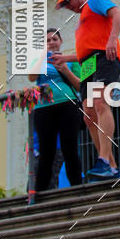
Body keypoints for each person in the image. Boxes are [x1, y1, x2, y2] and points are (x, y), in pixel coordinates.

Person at [52, 0, 120, 180]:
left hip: (104, 57)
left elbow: (118, 14)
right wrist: (64, 58)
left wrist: (112, 39)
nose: (68, 7)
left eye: (68, 1)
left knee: (100, 103)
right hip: (88, 64)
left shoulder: (94, 0)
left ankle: (103, 161)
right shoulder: (81, 21)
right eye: (64, 5)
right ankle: (111, 167)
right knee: (89, 116)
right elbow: (85, 51)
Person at [28, 28, 83, 202]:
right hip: (43, 108)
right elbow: (31, 77)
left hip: (67, 104)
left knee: (70, 149)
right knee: (46, 152)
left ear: (61, 41)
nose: (51, 42)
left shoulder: (70, 60)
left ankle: (77, 189)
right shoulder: (39, 60)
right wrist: (42, 55)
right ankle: (40, 193)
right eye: (47, 40)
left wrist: (65, 69)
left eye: (54, 39)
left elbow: (80, 86)